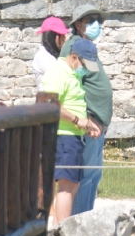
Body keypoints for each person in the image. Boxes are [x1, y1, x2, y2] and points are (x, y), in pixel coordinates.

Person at [40, 36, 101, 223]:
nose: (85, 69)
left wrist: (86, 125)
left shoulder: (72, 73)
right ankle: (62, 230)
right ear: (74, 57)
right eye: (84, 64)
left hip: (73, 136)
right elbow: (50, 104)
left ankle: (63, 228)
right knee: (66, 186)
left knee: (73, 184)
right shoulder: (57, 73)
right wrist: (76, 120)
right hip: (63, 137)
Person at [65, 4, 112, 215]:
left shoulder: (86, 48)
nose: (97, 25)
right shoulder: (73, 47)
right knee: (84, 177)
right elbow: (71, 84)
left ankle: (87, 219)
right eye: (91, 20)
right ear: (78, 24)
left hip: (98, 122)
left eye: (99, 21)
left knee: (93, 175)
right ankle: (79, 222)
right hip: (90, 123)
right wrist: (86, 118)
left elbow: (90, 80)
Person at [33, 17, 68, 88]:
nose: (64, 38)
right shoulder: (42, 56)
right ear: (52, 36)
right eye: (62, 35)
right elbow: (61, 76)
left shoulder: (57, 55)